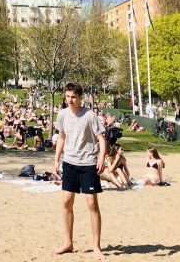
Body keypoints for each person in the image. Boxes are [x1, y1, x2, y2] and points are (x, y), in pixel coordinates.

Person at [53, 82, 107, 259]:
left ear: (80, 98)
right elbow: (61, 137)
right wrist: (56, 159)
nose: (69, 100)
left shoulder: (90, 116)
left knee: (92, 203)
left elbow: (101, 139)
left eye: (73, 97)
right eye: (67, 96)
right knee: (67, 201)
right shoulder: (62, 115)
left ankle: (96, 246)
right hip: (70, 162)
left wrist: (101, 158)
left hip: (88, 163)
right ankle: (68, 243)